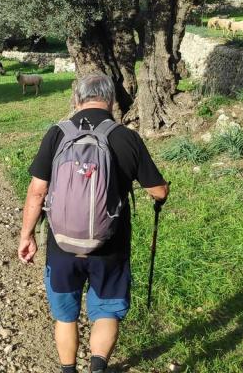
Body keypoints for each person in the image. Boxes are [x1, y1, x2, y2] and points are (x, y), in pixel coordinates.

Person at [18, 73, 169, 373]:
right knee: (107, 312)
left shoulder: (57, 134)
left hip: (62, 246)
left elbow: (37, 191)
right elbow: (158, 191)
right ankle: (98, 368)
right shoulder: (126, 137)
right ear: (111, 101)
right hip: (110, 246)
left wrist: (27, 235)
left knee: (66, 316)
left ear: (77, 99)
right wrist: (162, 192)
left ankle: (68, 370)